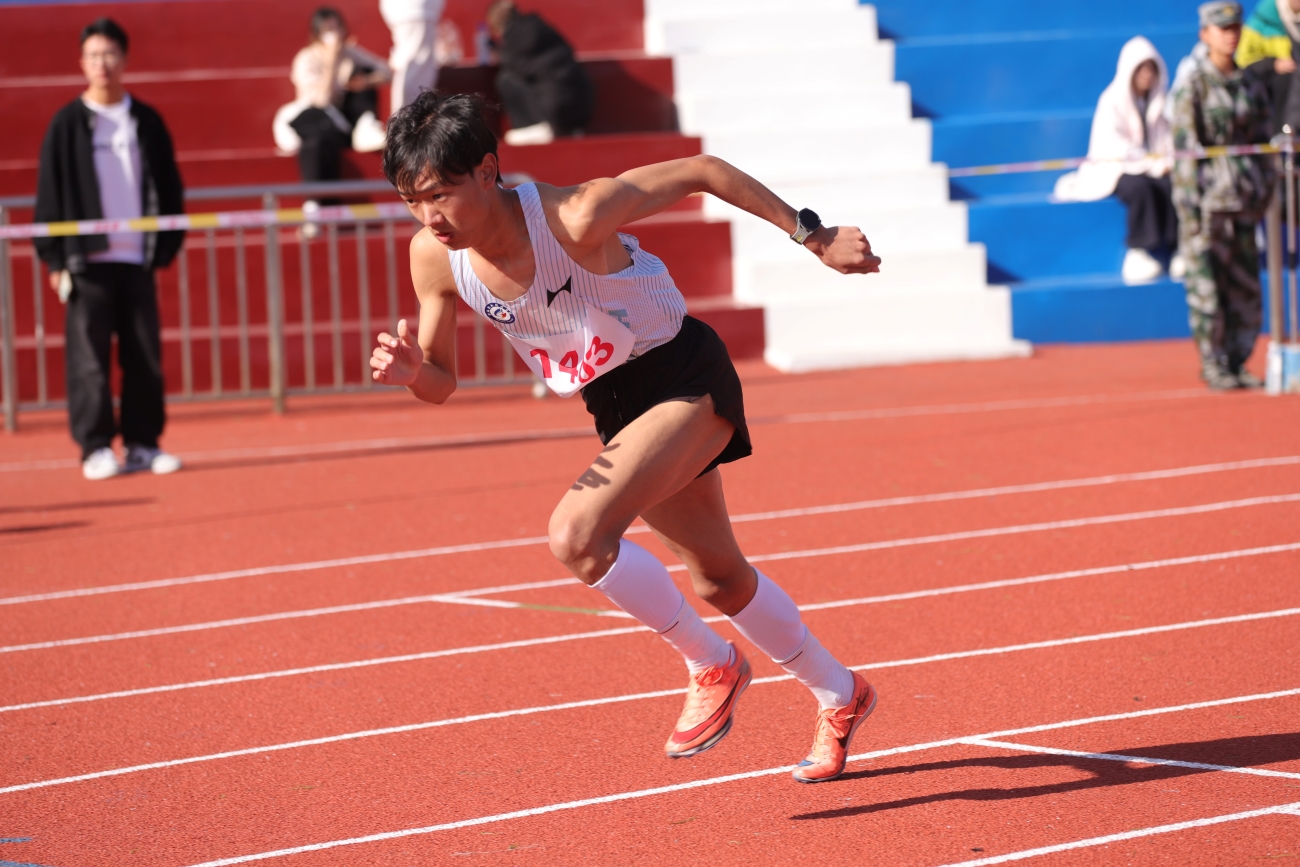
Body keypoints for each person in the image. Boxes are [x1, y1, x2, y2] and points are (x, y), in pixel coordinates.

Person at [370, 92, 881, 782]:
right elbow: (441, 382)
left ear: (487, 171)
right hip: (616, 408)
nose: (429, 218)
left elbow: (702, 170)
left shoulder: (575, 216)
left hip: (684, 376)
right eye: (411, 201)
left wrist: (812, 236)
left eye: (440, 195)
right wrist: (412, 373)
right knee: (719, 577)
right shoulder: (434, 259)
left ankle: (712, 662)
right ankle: (841, 693)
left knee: (576, 534)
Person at [33, 18, 184, 480]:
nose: (103, 63)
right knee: (89, 361)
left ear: (124, 58)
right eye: (94, 55)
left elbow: (169, 185)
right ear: (82, 63)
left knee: (143, 355)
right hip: (86, 261)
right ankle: (95, 447)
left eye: (110, 54)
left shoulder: (146, 121)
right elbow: (50, 193)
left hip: (136, 258)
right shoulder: (67, 124)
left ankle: (142, 444)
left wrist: (164, 247)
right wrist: (55, 258)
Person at [1171, 1, 1277, 389]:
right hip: (1209, 206)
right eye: (1222, 29)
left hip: (1245, 202)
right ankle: (1213, 362)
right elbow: (1185, 153)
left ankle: (1238, 359)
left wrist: (1265, 190)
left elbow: (1263, 142)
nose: (1230, 35)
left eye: (1235, 28)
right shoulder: (1194, 85)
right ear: (1205, 35)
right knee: (1208, 288)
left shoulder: (1249, 83)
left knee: (1245, 286)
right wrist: (1191, 210)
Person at [1055, 37, 1179, 284]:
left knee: (1170, 185)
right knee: (1139, 188)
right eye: (1141, 68)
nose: (1147, 75)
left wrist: (1167, 162)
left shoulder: (1160, 101)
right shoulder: (1111, 101)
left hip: (1152, 167)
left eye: (1151, 69)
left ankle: (1176, 248)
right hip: (1114, 168)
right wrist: (1150, 164)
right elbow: (1115, 147)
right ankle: (1140, 249)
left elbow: (1167, 137)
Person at [272, 7, 392, 190]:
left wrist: (366, 81)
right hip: (319, 122)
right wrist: (331, 59)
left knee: (363, 72)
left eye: (337, 27)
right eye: (328, 29)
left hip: (343, 119)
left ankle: (365, 126)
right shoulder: (306, 58)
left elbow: (386, 71)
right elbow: (321, 101)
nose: (335, 34)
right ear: (318, 34)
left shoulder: (349, 53)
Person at [484, 0, 595, 146]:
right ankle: (565, 129)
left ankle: (529, 127)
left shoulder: (513, 40)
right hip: (583, 107)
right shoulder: (542, 28)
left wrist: (500, 54)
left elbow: (514, 66)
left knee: (505, 79)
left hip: (554, 111)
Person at [380, 0, 444, 113]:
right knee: (414, 66)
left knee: (408, 62)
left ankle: (404, 118)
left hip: (413, 11)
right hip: (415, 10)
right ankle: (407, 119)